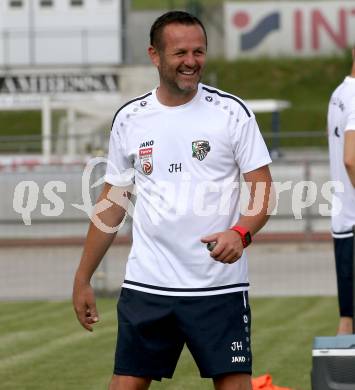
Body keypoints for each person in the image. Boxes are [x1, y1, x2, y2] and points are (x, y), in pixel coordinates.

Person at [73, 11, 273, 390]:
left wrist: (241, 233)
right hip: (149, 285)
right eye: (180, 52)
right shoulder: (130, 118)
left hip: (218, 288)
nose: (191, 62)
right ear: (154, 55)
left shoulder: (232, 113)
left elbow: (262, 188)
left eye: (199, 51)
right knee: (126, 383)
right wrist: (83, 276)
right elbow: (112, 201)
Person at [327, 47, 355, 335]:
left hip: (343, 220)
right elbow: (351, 158)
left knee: (347, 320)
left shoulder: (340, 93)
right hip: (353, 222)